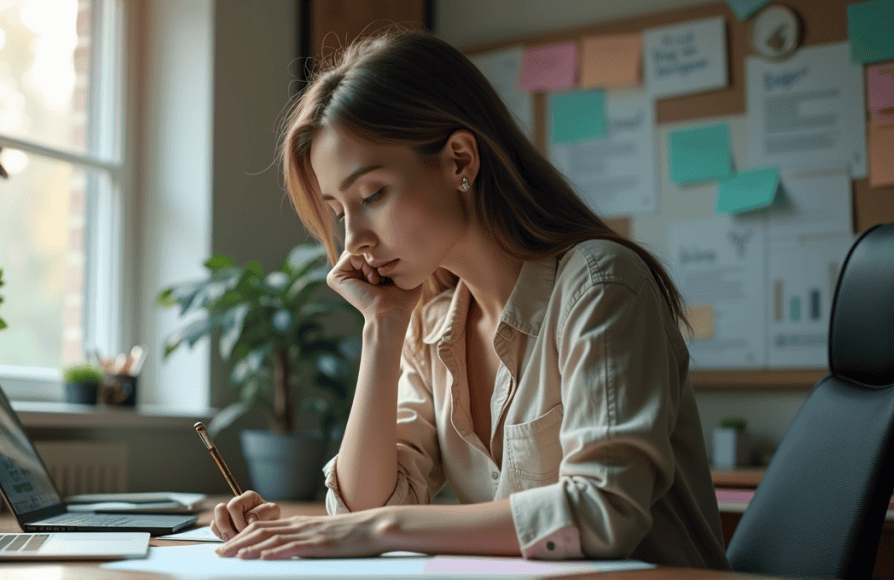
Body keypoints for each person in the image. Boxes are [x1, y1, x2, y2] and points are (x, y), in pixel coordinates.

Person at [210, 29, 730, 568]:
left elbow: (602, 514)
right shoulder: (431, 324)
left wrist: (381, 528)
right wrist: (382, 328)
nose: (353, 242)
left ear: (460, 160)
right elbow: (362, 508)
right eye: (340, 212)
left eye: (372, 195)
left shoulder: (601, 286)